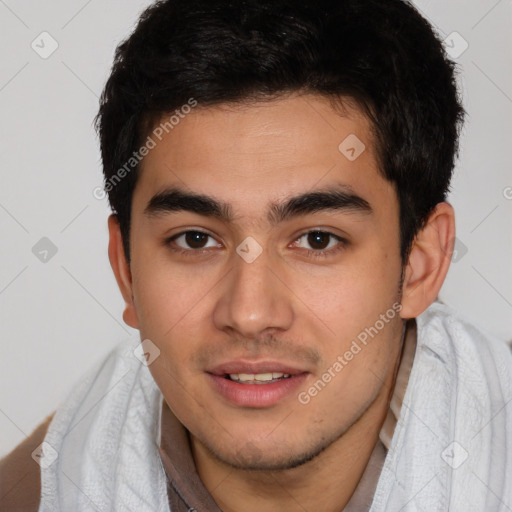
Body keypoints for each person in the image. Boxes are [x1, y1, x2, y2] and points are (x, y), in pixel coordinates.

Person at [2, 0, 511, 510]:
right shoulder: (40, 489)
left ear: (420, 264)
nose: (249, 314)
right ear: (126, 270)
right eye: (195, 239)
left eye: (317, 240)